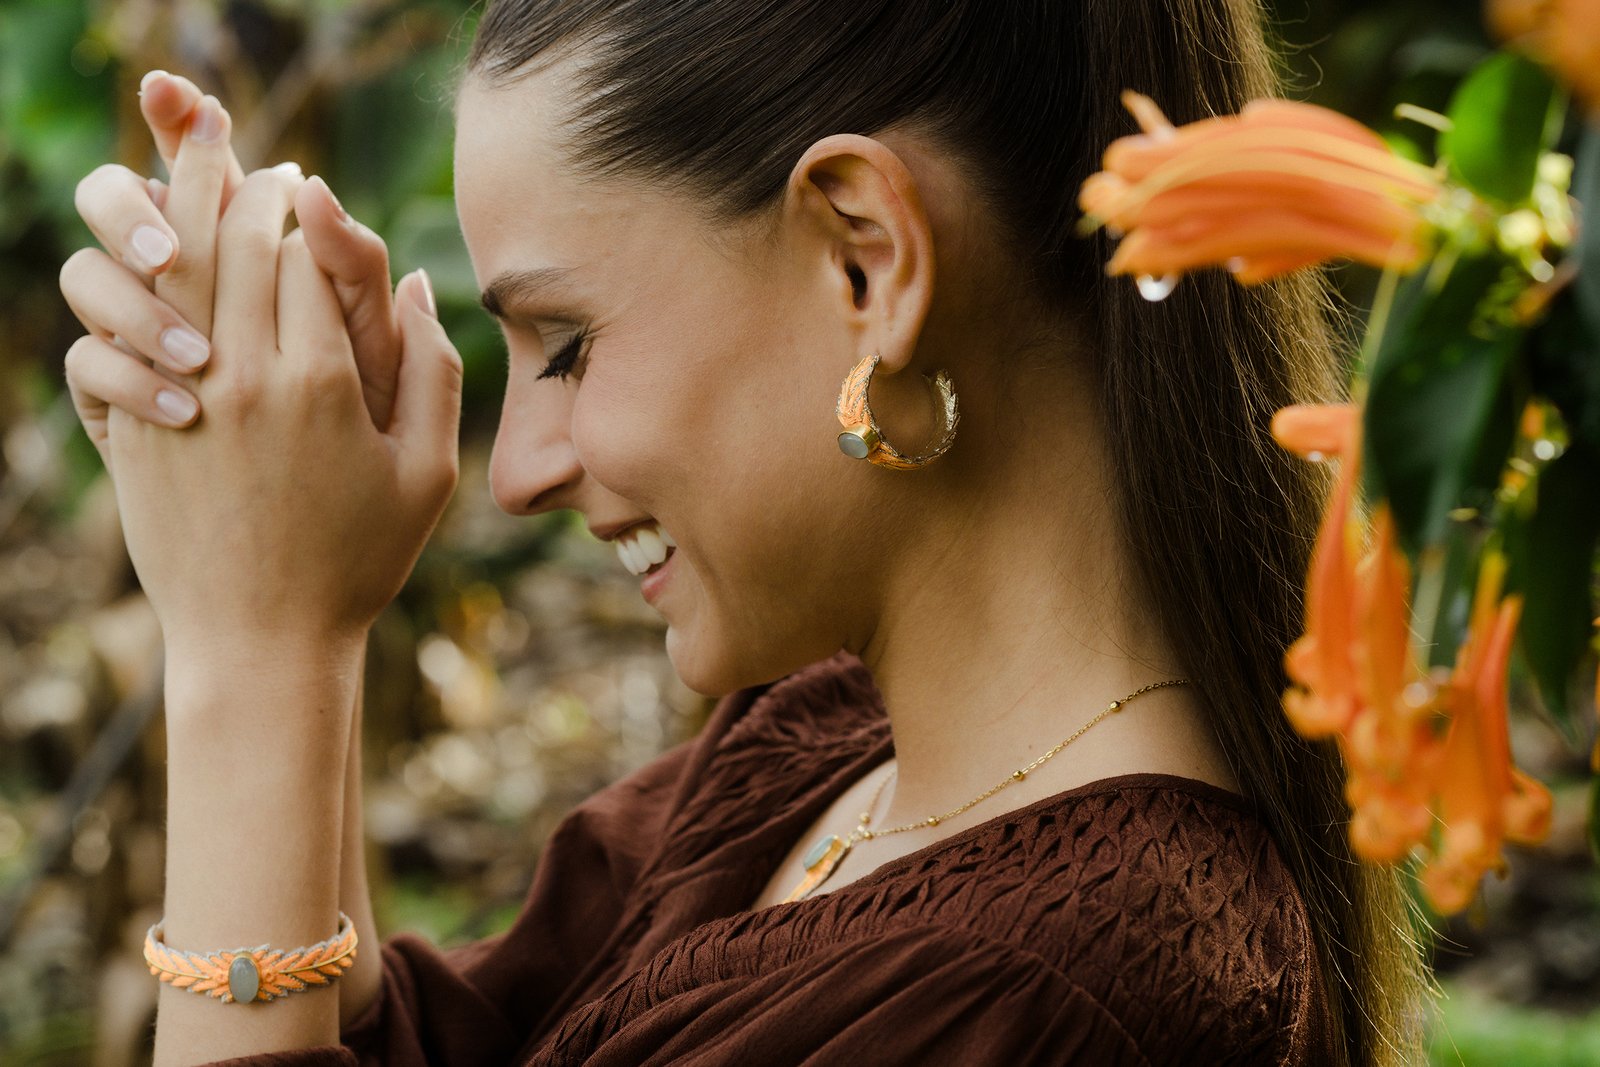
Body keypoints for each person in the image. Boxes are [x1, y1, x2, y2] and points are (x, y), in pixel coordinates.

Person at [58, 1, 1429, 1064]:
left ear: (863, 259)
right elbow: (432, 1044)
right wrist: (292, 534)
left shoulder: (1050, 995)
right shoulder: (822, 743)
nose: (520, 471)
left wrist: (253, 651)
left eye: (568, 344)